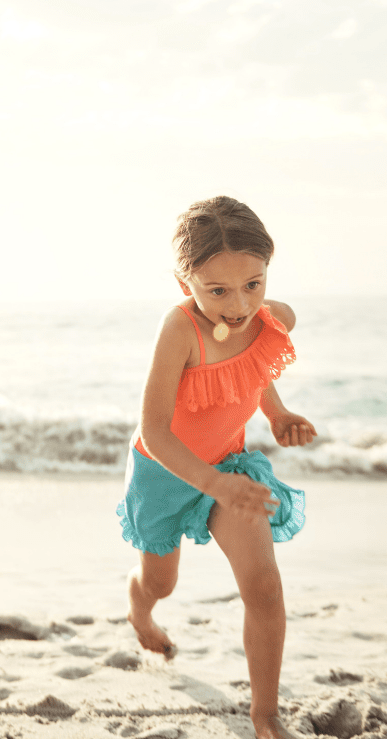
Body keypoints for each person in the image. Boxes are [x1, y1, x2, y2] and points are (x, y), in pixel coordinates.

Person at [117, 196, 316, 739]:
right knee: (162, 581)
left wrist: (276, 414)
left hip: (230, 467)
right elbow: (155, 432)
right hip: (164, 473)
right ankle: (139, 613)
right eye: (218, 290)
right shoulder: (179, 330)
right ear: (187, 284)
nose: (239, 305)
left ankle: (265, 714)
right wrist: (211, 483)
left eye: (253, 284)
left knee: (264, 586)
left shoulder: (264, 317)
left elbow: (252, 368)